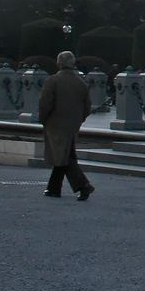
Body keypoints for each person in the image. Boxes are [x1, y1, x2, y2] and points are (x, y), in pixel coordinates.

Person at [39, 51, 95, 201]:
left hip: (55, 123)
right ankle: (53, 188)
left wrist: (43, 118)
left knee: (63, 156)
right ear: (73, 64)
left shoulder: (53, 81)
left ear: (58, 64)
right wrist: (79, 119)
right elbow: (87, 106)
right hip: (73, 123)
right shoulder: (81, 83)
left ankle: (83, 185)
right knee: (65, 154)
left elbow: (45, 103)